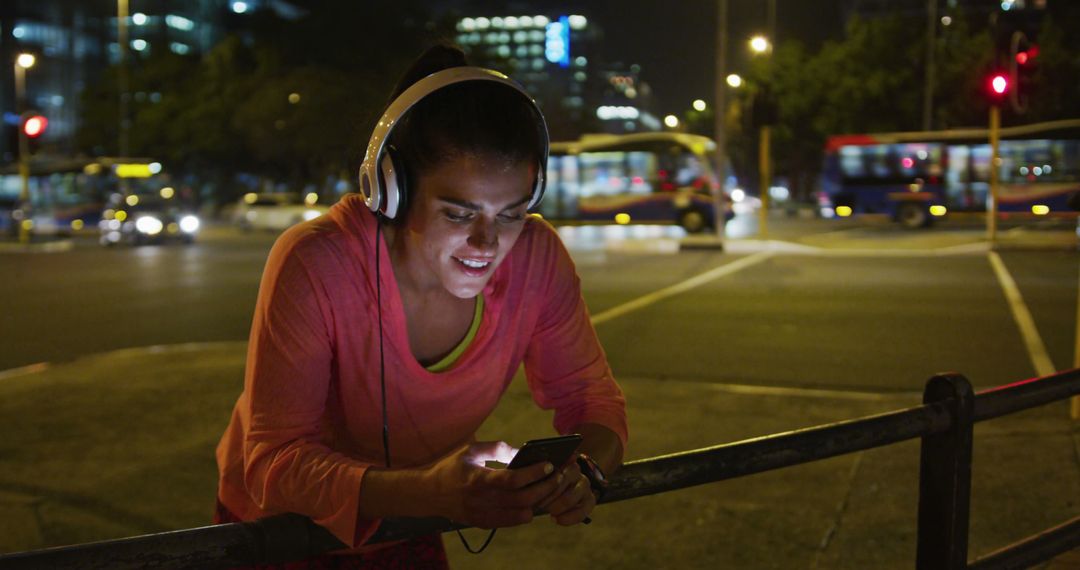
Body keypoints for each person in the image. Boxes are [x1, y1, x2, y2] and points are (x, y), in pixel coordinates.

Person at [213, 45, 628, 568]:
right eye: (459, 214)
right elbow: (275, 466)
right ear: (393, 190)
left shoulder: (537, 258)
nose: (487, 243)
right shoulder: (316, 261)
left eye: (511, 214)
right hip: (277, 532)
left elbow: (593, 401)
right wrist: (432, 492)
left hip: (416, 513)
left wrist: (585, 470)